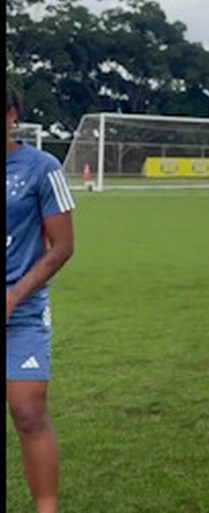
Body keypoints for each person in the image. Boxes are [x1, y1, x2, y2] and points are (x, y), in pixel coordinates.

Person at [6, 82, 76, 513]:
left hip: (23, 309)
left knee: (28, 412)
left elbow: (63, 247)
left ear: (12, 114)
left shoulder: (42, 167)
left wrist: (14, 297)